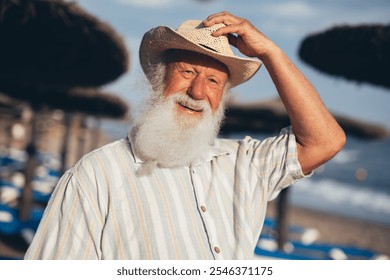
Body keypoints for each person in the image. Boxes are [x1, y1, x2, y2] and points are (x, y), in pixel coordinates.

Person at [24, 11, 345, 260]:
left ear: (222, 98)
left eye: (214, 81)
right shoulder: (96, 175)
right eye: (187, 72)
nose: (197, 91)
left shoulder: (244, 165)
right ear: (158, 80)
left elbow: (325, 140)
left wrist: (270, 52)